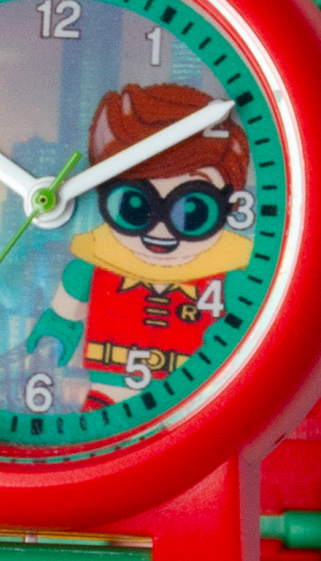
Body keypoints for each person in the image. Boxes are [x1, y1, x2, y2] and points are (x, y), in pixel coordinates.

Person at [27, 84, 254, 408]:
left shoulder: (228, 278)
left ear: (229, 205)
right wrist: (57, 329)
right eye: (134, 206)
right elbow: (63, 315)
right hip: (106, 396)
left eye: (193, 212)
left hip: (196, 401)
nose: (160, 229)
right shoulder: (91, 269)